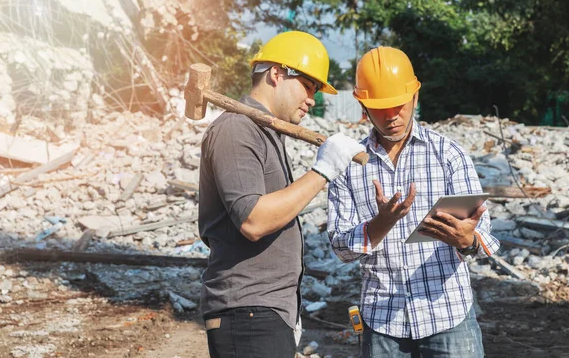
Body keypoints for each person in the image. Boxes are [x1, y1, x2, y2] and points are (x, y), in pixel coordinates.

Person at [199, 30, 366, 358]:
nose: (312, 99)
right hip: (247, 312)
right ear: (277, 73)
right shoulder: (236, 129)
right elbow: (254, 220)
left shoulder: (264, 132)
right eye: (308, 86)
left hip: (265, 312)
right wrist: (323, 171)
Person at [327, 46, 500, 357]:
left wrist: (467, 239)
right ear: (362, 104)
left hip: (448, 316)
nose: (392, 115)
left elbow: (483, 234)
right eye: (380, 107)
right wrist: (379, 225)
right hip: (382, 323)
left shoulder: (448, 155)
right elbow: (340, 247)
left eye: (399, 104)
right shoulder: (349, 165)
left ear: (415, 96)